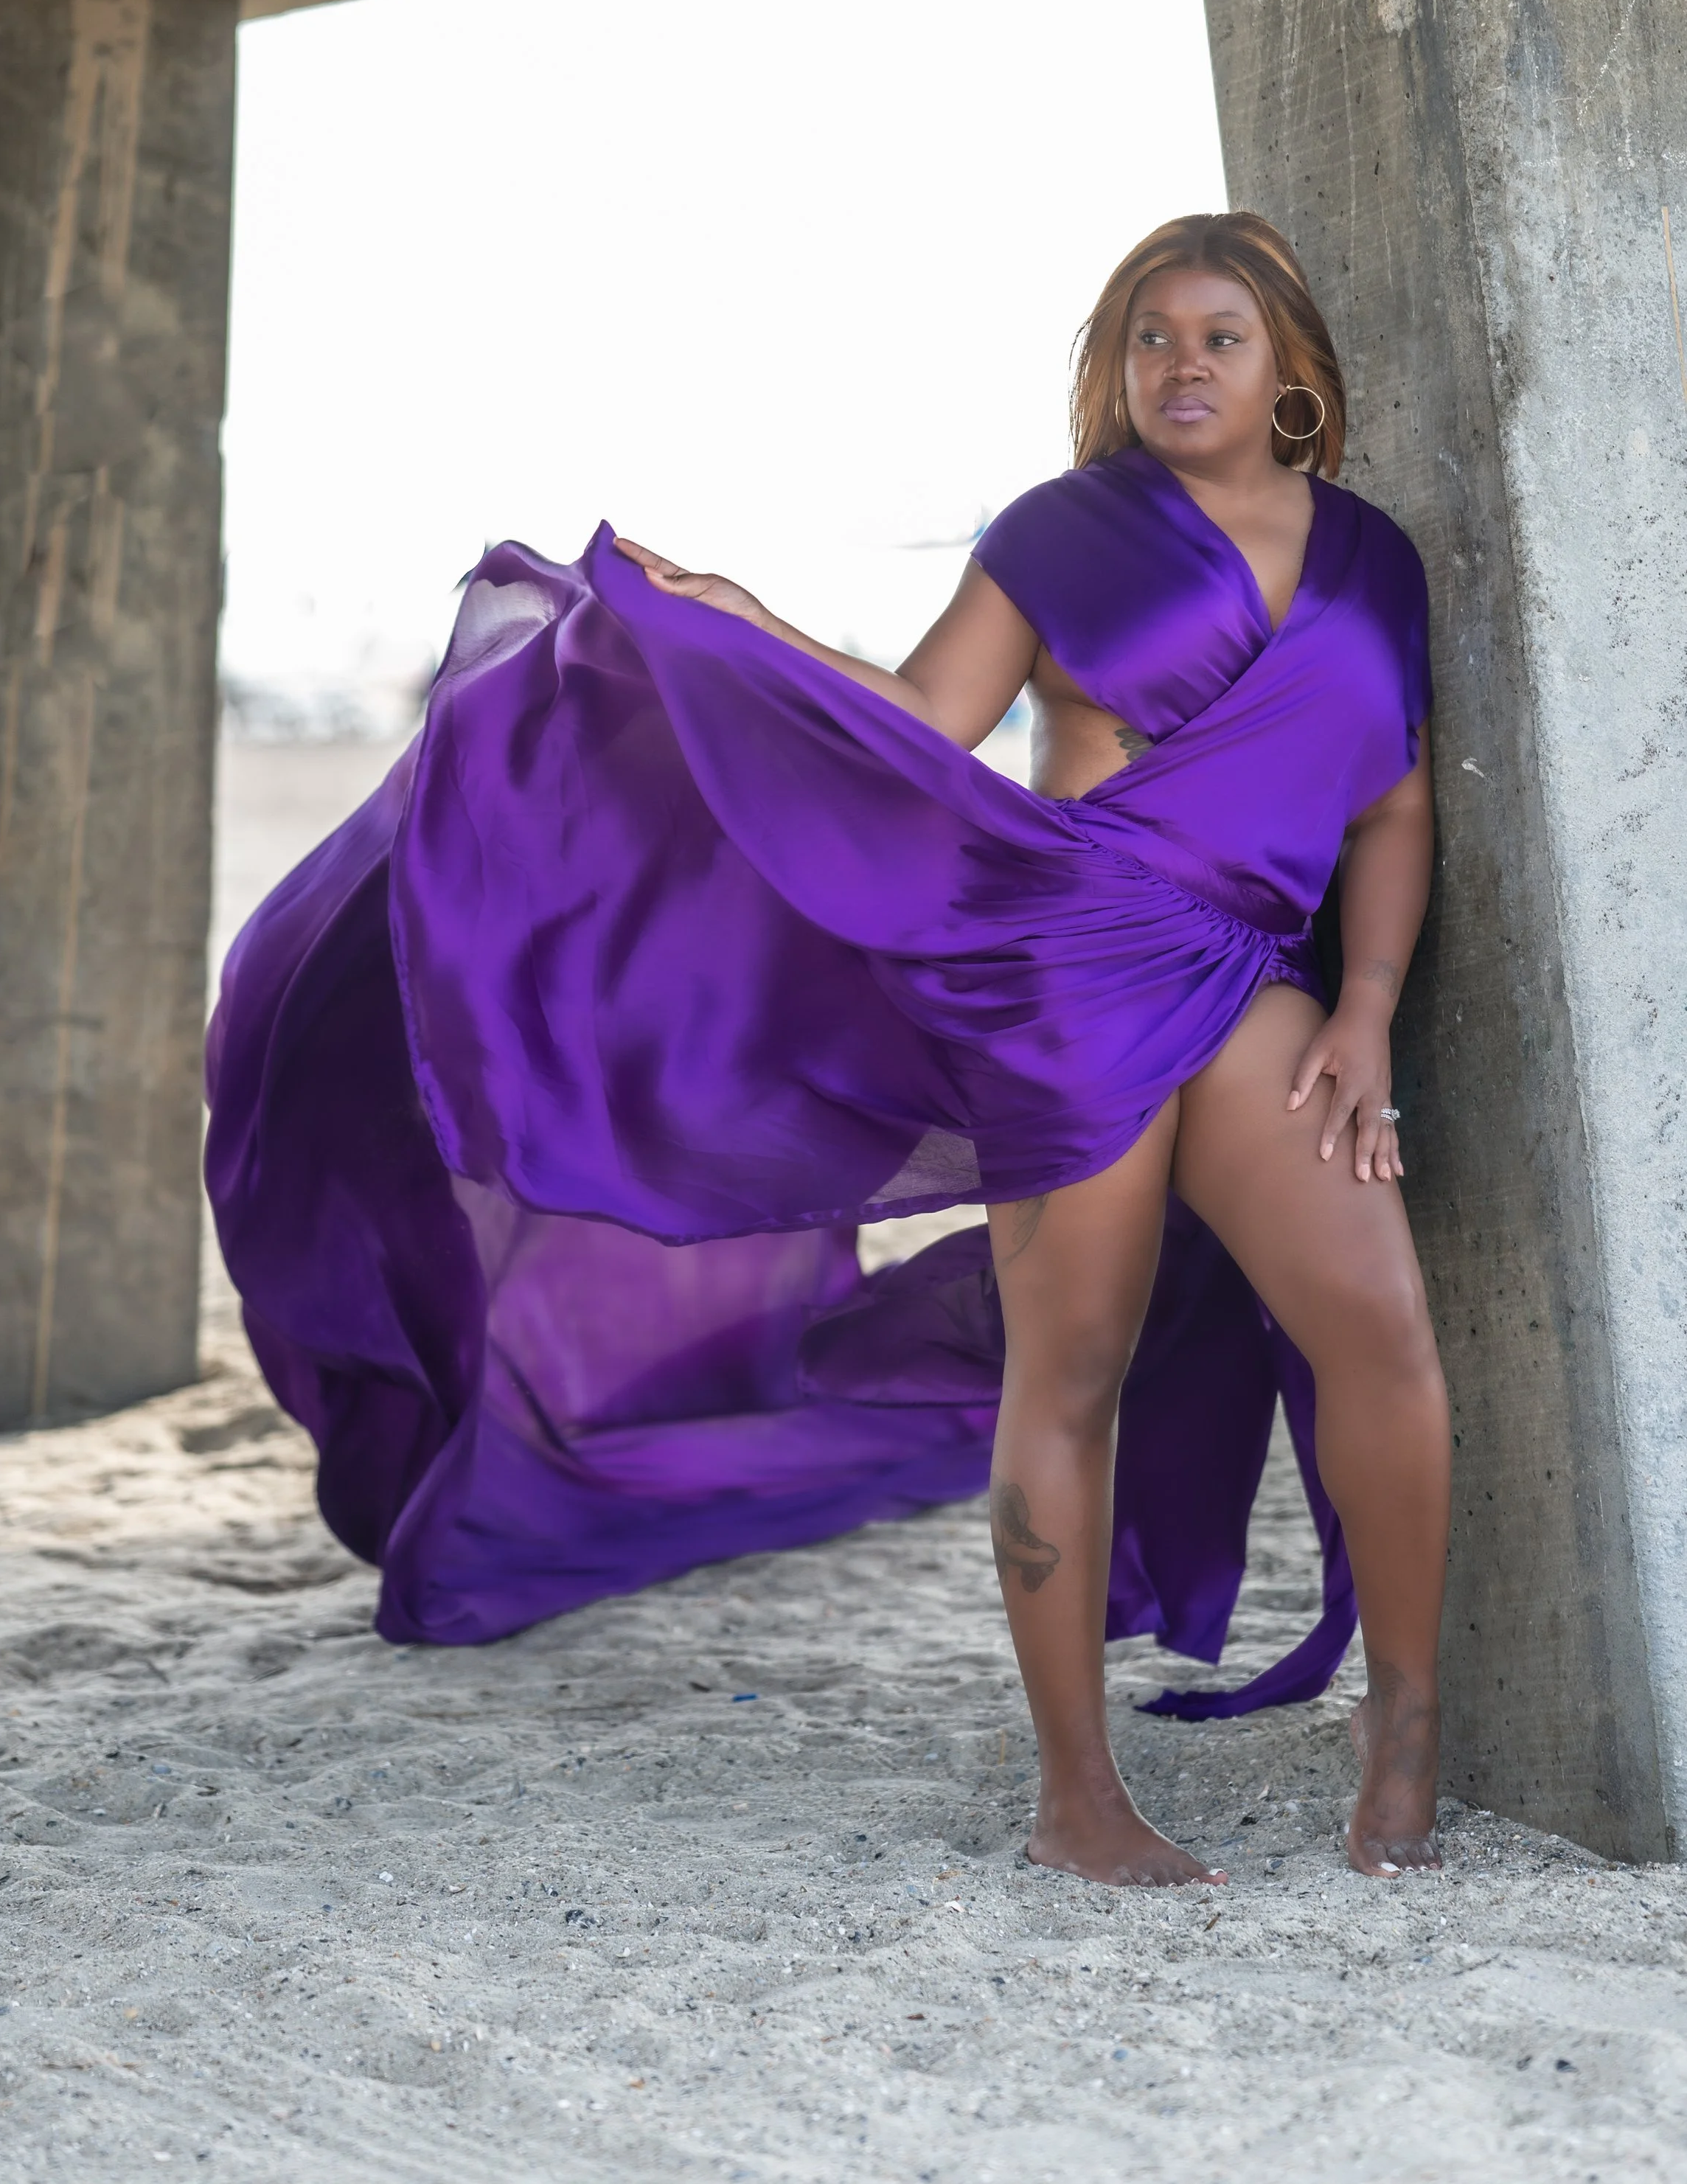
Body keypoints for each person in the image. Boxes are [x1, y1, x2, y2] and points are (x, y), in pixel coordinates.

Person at [206, 212, 1447, 1890]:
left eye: (1219, 337)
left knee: (1376, 1328)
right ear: (1113, 365)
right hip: (1056, 976)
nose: (1181, 365)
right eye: (1149, 337)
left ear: (1291, 371)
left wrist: (1366, 1002)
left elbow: (1389, 800)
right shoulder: (1057, 534)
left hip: (1246, 977)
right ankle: (1074, 1799)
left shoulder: (1375, 559)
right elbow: (927, 720)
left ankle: (1408, 1730)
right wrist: (748, 621)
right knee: (1064, 1373)